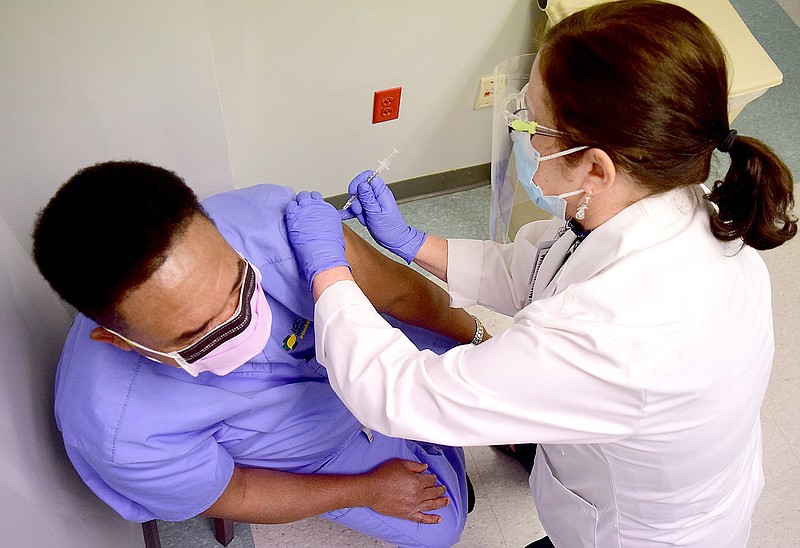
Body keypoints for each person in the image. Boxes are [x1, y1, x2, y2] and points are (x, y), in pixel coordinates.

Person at [283, 1, 798, 546]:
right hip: (665, 473)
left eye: (532, 123)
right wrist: (414, 244)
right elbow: (537, 269)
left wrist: (330, 276)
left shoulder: (614, 334)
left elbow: (405, 396)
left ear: (597, 168)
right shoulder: (673, 207)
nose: (523, 139)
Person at [31, 161, 480, 547]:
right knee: (442, 526)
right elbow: (239, 491)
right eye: (201, 332)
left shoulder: (270, 226)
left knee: (479, 376)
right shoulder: (121, 436)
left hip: (357, 349)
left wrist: (480, 343)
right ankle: (438, 454)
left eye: (240, 286)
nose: (242, 321)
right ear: (122, 342)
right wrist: (366, 490)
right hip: (313, 450)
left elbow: (403, 295)